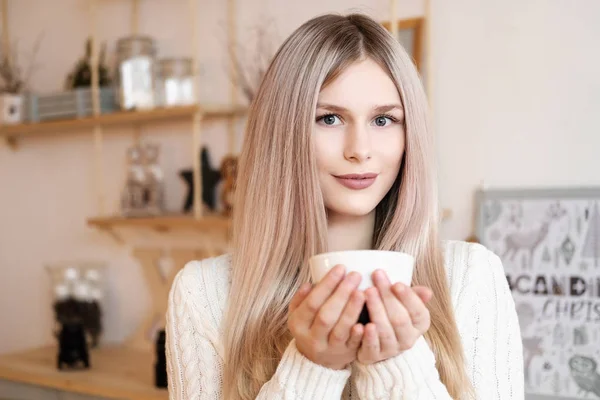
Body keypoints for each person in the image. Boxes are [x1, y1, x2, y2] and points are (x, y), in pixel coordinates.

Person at [166, 13, 524, 400]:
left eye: (384, 120)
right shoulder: (202, 294)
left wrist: (397, 364)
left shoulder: (471, 278)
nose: (360, 150)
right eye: (330, 118)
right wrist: (311, 368)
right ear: (282, 132)